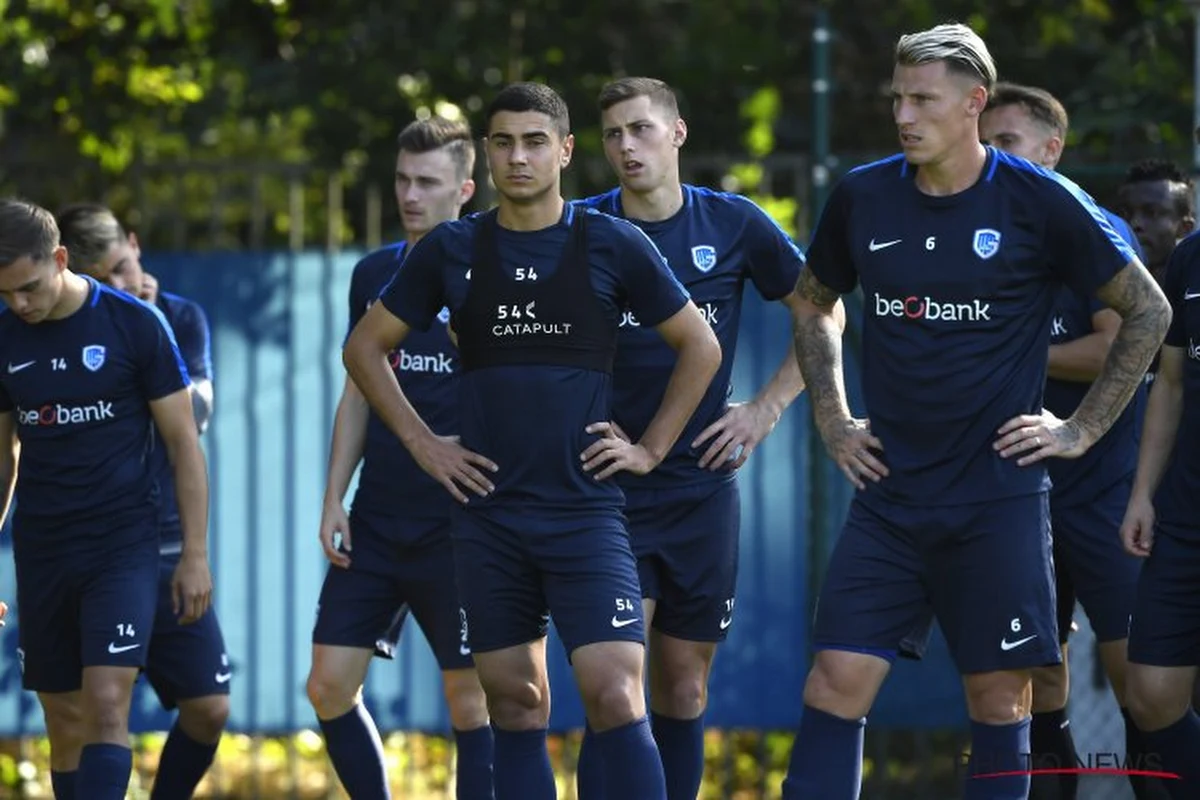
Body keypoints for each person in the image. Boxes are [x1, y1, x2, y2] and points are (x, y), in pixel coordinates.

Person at [781, 24, 1170, 800]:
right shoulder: (863, 194)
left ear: (974, 104)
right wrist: (832, 416)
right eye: (898, 97)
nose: (904, 114)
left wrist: (1080, 428)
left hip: (998, 500)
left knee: (999, 700)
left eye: (922, 98)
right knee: (832, 685)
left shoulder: (1040, 201)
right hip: (890, 495)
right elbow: (813, 302)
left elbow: (1148, 312)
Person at [343, 82, 722, 800]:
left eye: (535, 141)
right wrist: (425, 444)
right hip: (489, 519)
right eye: (504, 142)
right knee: (516, 704)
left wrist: (650, 448)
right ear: (487, 154)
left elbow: (699, 347)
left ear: (565, 151)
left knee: (616, 693)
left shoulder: (611, 242)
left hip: (586, 515)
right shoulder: (451, 249)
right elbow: (364, 351)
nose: (519, 156)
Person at [572, 76, 828, 800]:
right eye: (613, 133)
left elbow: (823, 316)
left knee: (682, 689)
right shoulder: (581, 226)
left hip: (699, 493)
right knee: (612, 689)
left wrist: (767, 409)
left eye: (641, 129)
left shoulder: (734, 224)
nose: (626, 145)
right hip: (603, 494)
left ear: (677, 133)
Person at [979, 82, 1165, 800]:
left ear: (1051, 150)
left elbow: (1122, 344)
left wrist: (1016, 353)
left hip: (1107, 494)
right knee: (1034, 681)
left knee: (1145, 688)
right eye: (985, 143)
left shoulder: (1092, 230)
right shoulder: (979, 237)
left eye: (1008, 144)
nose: (992, 159)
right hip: (1018, 496)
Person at [306, 116, 494, 799]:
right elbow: (360, 390)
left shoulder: (495, 272)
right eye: (402, 181)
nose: (410, 195)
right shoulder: (374, 274)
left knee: (472, 703)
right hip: (379, 521)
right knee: (327, 685)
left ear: (464, 190)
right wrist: (334, 496)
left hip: (462, 526)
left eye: (428, 183)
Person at [0, 199, 213, 800]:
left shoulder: (134, 324)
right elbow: (3, 460)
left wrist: (194, 554)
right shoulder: (5, 336)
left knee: (107, 702)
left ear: (61, 259)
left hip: (121, 545)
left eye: (30, 287)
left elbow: (183, 445)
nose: (21, 303)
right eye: (6, 293)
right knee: (63, 720)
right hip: (43, 550)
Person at [1121, 229, 1200, 799]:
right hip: (1184, 515)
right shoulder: (1189, 258)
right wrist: (1143, 493)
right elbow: (1169, 384)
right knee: (1149, 694)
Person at [1117, 160, 1195, 288]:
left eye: (1152, 213)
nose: (1134, 223)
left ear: (1185, 228)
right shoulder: (1093, 292)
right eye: (1126, 213)